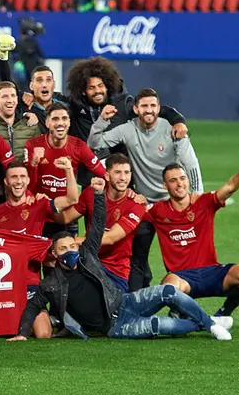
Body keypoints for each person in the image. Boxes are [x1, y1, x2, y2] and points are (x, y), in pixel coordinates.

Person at [8, 178, 233, 342]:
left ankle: (210, 324)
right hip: (115, 326)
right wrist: (21, 333)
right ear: (55, 254)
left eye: (71, 246)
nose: (69, 251)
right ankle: (204, 323)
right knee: (160, 325)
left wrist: (97, 196)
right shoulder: (50, 284)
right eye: (63, 249)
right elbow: (32, 306)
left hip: (124, 302)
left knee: (168, 292)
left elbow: (96, 227)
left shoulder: (86, 255)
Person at [87, 88, 203, 291]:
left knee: (180, 260)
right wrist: (101, 122)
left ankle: (182, 307)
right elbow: (95, 144)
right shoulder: (128, 129)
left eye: (152, 106)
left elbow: (191, 164)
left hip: (172, 204)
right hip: (144, 205)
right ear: (136, 108)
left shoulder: (173, 129)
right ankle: (135, 304)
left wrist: (197, 195)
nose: (148, 110)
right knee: (137, 258)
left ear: (159, 108)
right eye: (144, 106)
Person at [146, 148, 239, 318]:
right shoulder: (157, 211)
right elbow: (131, 212)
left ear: (188, 181)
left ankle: (223, 315)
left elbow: (229, 187)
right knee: (169, 288)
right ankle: (181, 311)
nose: (179, 184)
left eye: (182, 178)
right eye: (173, 180)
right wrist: (134, 197)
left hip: (211, 272)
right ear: (165, 185)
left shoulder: (204, 202)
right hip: (182, 277)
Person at [0, 160, 78, 338]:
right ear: (6, 182)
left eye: (22, 177)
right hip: (2, 285)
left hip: (29, 282)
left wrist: (68, 170)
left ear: (27, 180)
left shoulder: (39, 205)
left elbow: (72, 199)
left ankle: (43, 316)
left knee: (43, 334)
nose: (18, 181)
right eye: (14, 177)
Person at [56, 154, 147, 292]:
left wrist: (73, 243)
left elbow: (110, 238)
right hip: (88, 263)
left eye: (126, 172)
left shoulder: (136, 204)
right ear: (107, 176)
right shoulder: (91, 193)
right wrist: (45, 205)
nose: (123, 178)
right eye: (117, 172)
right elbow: (66, 217)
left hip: (115, 271)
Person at [23, 102, 105, 236]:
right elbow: (28, 187)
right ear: (47, 123)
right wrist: (33, 164)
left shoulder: (79, 146)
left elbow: (103, 173)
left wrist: (128, 191)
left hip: (67, 213)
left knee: (69, 255)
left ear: (69, 122)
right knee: (40, 255)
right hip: (40, 212)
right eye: (55, 119)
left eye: (64, 118)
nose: (60, 123)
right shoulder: (32, 146)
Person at [0, 81, 41, 167]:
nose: (10, 100)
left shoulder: (31, 125)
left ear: (17, 99)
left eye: (13, 96)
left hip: (24, 179)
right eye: (5, 96)